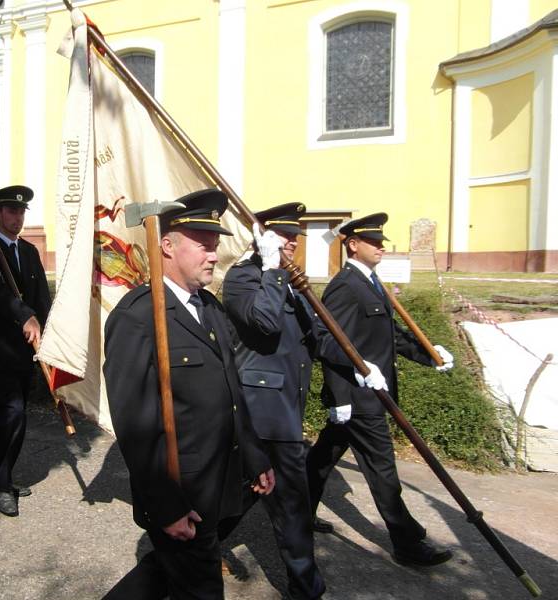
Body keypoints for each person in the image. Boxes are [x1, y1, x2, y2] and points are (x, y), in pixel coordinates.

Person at [102, 189, 275, 600]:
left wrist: (254, 457)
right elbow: (135, 426)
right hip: (183, 492)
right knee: (199, 588)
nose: (214, 255)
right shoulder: (139, 317)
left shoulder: (210, 309)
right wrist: (166, 506)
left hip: (221, 481)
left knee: (169, 571)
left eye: (215, 245)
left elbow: (233, 395)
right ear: (167, 244)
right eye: (204, 245)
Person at [220, 202, 387, 599]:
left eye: (296, 236)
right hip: (262, 410)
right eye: (284, 235)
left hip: (287, 408)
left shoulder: (293, 282)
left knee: (249, 494)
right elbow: (264, 322)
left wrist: (360, 365)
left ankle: (193, 549)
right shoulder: (243, 278)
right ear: (262, 237)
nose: (293, 242)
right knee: (292, 505)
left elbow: (319, 338)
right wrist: (273, 270)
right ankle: (307, 589)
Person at [306, 212, 455, 567]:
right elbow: (329, 341)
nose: (380, 247)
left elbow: (389, 338)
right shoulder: (345, 285)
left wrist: (429, 355)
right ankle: (406, 542)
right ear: (352, 245)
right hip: (359, 398)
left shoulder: (372, 283)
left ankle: (296, 512)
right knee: (382, 470)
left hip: (372, 393)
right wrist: (340, 397)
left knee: (322, 458)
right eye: (373, 242)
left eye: (381, 242)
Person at [0, 185, 51, 517]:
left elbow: (41, 296)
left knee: (19, 414)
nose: (17, 217)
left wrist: (47, 328)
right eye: (11, 211)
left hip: (27, 349)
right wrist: (25, 316)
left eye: (21, 212)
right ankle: (2, 485)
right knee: (12, 412)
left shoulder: (29, 251)